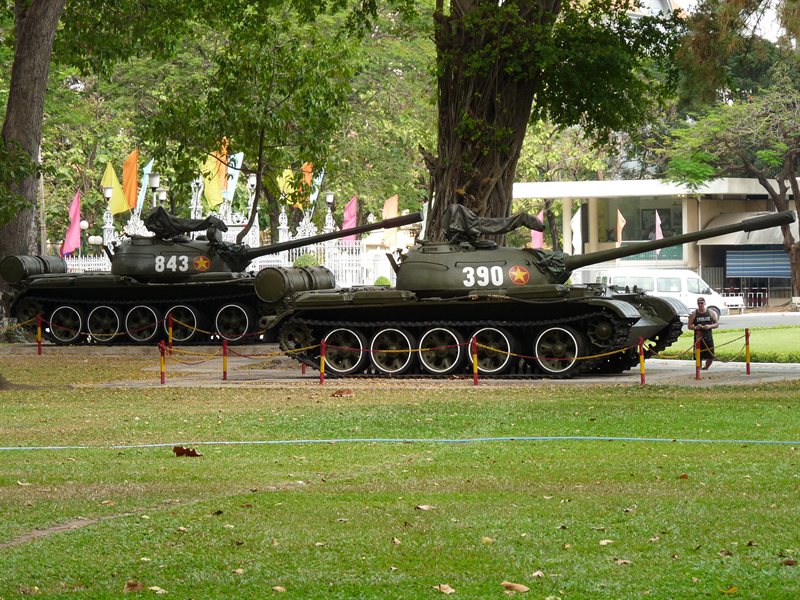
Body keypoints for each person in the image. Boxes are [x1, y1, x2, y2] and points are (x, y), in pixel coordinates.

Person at [688, 297, 719, 370]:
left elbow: (717, 324)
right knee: (698, 356)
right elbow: (689, 326)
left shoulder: (710, 312)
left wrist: (709, 326)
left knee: (711, 356)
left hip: (708, 337)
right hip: (698, 337)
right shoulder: (694, 313)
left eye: (701, 303)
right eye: (698, 303)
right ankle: (699, 370)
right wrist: (696, 327)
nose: (700, 305)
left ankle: (706, 368)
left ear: (704, 303)